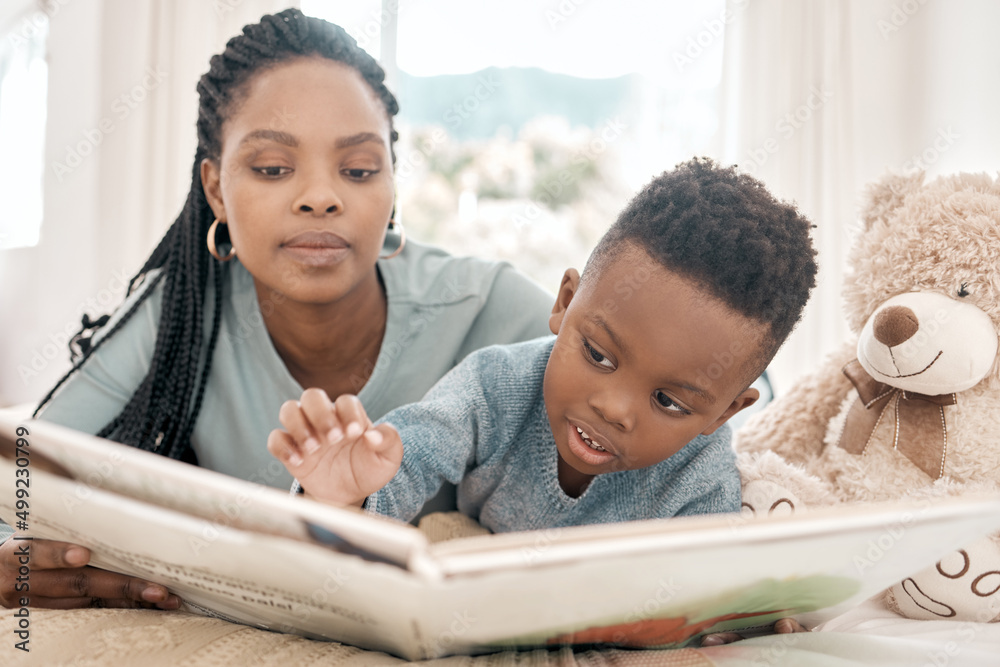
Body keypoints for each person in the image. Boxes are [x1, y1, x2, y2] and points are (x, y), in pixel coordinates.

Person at [0, 9, 554, 611]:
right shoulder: (180, 314)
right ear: (216, 188)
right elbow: (22, 465)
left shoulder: (493, 308)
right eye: (272, 169)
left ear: (392, 184)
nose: (320, 197)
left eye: (359, 170)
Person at [269, 158, 819, 531]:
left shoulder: (701, 481)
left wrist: (735, 617)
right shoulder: (495, 388)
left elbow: (705, 593)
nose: (613, 407)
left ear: (725, 412)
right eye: (599, 356)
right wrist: (345, 496)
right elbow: (410, 452)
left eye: (669, 401)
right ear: (564, 303)